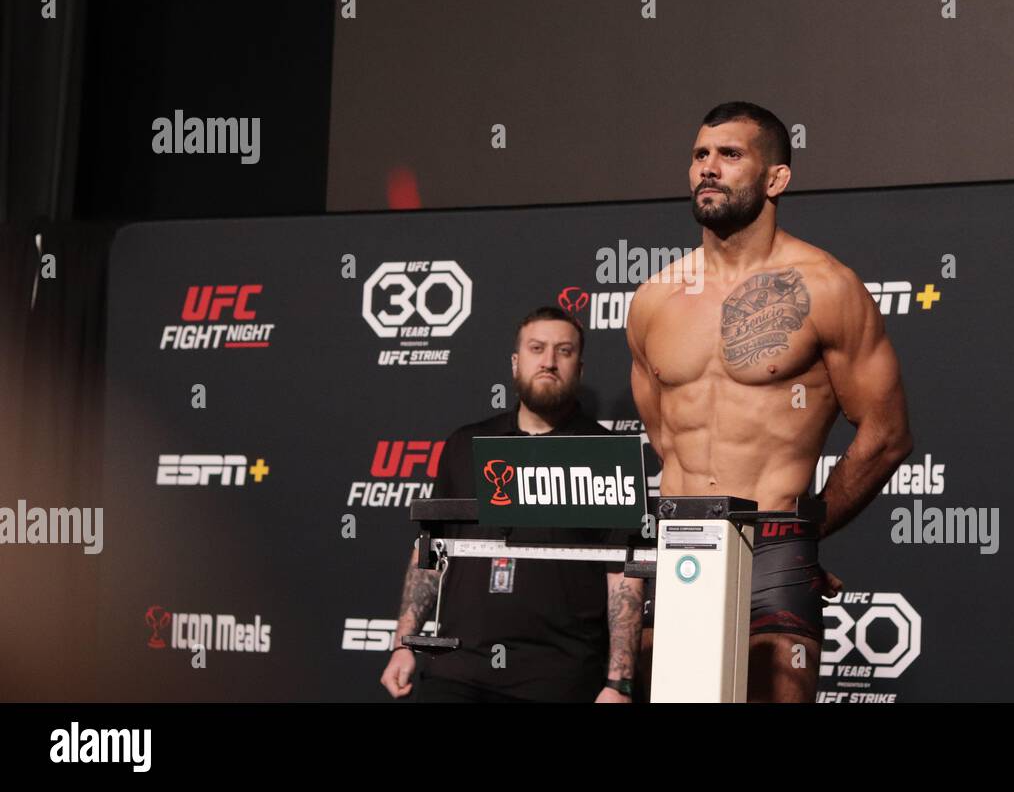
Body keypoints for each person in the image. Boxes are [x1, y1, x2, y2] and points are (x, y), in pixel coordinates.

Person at [627, 101, 914, 702]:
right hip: (678, 542)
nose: (708, 167)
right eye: (700, 155)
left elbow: (885, 435)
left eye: (730, 156)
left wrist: (802, 533)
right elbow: (663, 435)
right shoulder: (655, 298)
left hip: (773, 550)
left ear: (776, 178)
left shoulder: (826, 287)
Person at [380, 306, 643, 702]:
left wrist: (618, 682)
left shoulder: (606, 454)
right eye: (537, 348)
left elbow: (624, 575)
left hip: (559, 677)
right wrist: (404, 643)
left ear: (580, 368)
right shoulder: (465, 445)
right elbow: (429, 548)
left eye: (564, 351)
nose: (549, 361)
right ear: (516, 363)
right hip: (458, 669)